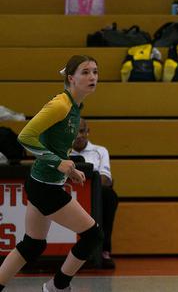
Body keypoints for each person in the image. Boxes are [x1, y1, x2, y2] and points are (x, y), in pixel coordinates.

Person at [0, 55, 102, 292]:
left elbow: (55, 144)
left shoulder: (76, 106)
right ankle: (56, 287)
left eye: (95, 72)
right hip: (45, 186)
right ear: (71, 78)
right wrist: (58, 163)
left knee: (32, 245)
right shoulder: (61, 104)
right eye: (85, 72)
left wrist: (69, 167)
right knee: (93, 235)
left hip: (43, 182)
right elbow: (25, 137)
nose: (92, 77)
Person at [71, 118, 119, 270]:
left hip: (93, 194)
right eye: (74, 132)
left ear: (88, 132)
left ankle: (104, 251)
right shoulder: (61, 152)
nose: (78, 135)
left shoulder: (100, 151)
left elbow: (106, 179)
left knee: (109, 195)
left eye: (82, 131)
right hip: (68, 193)